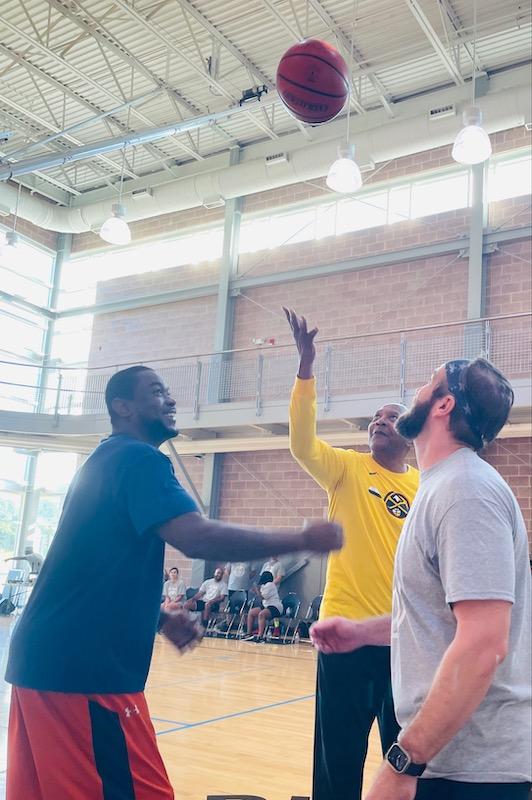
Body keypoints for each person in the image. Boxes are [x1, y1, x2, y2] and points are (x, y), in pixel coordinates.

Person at [5, 365, 343, 800]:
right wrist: (301, 538)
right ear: (122, 407)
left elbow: (94, 573)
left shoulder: (108, 460)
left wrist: (160, 617)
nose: (171, 400)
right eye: (157, 391)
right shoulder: (136, 458)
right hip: (83, 672)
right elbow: (195, 536)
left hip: (46, 662)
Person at [311, 358, 532, 800]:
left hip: (471, 771)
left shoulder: (465, 491)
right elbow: (442, 618)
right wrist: (365, 631)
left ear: (443, 404)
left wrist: (403, 762)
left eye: (428, 384)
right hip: (447, 762)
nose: (417, 390)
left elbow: (483, 642)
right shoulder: (442, 486)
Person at [284, 307, 419, 800]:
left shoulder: (426, 487)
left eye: (391, 417)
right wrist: (305, 368)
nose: (379, 423)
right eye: (375, 418)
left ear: (411, 434)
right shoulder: (345, 469)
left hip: (404, 640)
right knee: (337, 755)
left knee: (402, 756)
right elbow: (301, 443)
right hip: (342, 634)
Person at [243, 571, 283, 642]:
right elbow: (260, 594)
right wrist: (255, 590)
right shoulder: (264, 586)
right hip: (266, 606)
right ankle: (249, 633)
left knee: (262, 614)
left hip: (275, 607)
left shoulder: (270, 584)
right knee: (251, 612)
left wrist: (256, 589)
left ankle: (260, 636)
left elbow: (262, 597)